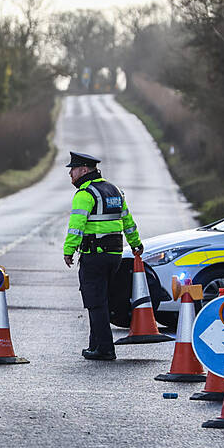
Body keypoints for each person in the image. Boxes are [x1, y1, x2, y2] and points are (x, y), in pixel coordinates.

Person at [62, 152, 143, 361]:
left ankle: (105, 349)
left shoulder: (85, 193)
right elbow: (128, 222)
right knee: (100, 299)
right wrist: (136, 244)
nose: (70, 173)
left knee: (95, 302)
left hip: (94, 255)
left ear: (84, 170)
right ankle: (95, 344)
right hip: (115, 254)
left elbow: (76, 226)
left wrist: (69, 251)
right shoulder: (115, 191)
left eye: (73, 169)